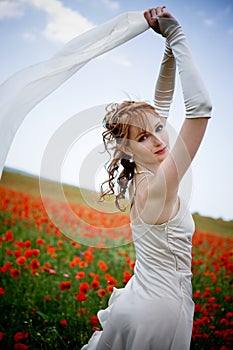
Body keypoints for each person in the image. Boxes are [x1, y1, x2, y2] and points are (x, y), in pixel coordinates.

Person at [81, 5, 212, 350]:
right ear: (125, 149)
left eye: (158, 130)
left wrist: (167, 47)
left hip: (140, 299)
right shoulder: (157, 187)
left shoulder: (143, 172)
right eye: (142, 138)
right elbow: (200, 110)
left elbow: (162, 105)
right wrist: (179, 36)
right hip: (160, 313)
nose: (158, 139)